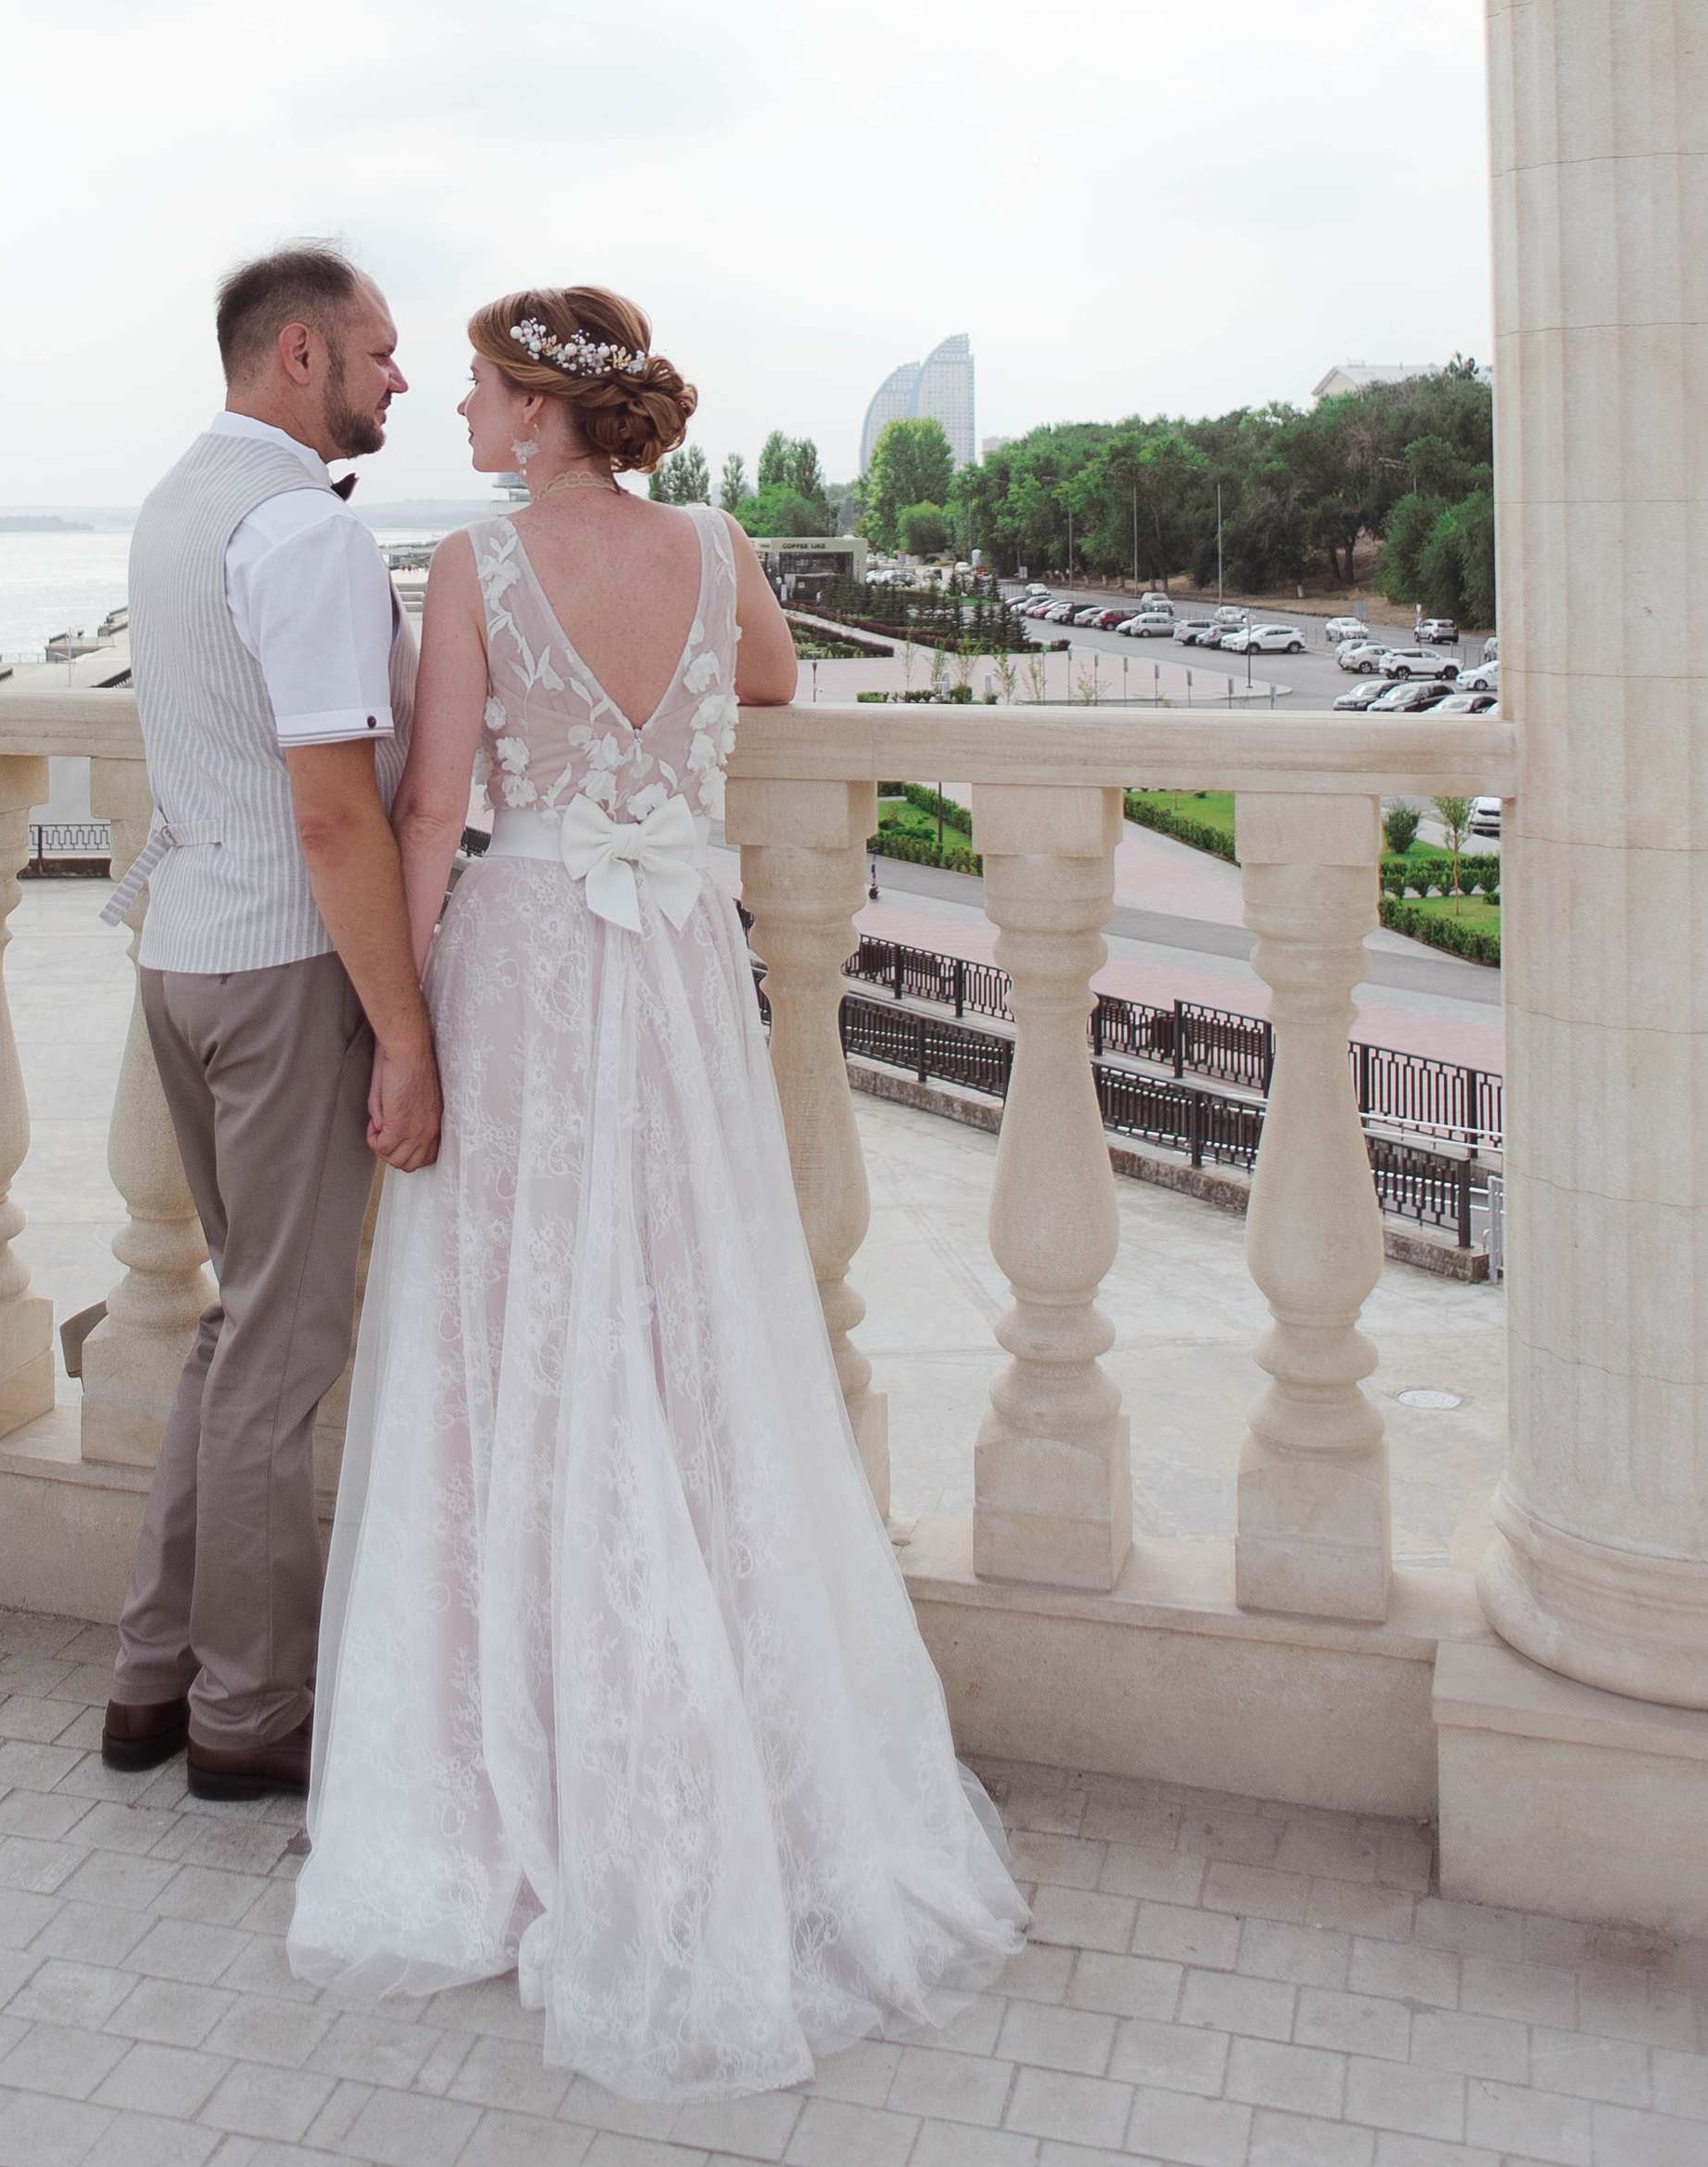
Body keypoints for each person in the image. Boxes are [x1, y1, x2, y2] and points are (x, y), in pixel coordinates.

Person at [288, 285, 1026, 2098]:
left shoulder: (467, 571)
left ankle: (531, 1741)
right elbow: (761, 678)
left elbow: (427, 810)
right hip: (679, 957)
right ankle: (734, 1718)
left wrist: (402, 1035)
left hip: (537, 962)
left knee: (525, 1315)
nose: (457, 408)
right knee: (692, 1304)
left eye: (475, 385)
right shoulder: (714, 541)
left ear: (540, 406)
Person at [99, 246, 442, 1801]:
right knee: (282, 1348)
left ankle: (152, 1676)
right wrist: (406, 1032)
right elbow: (333, 821)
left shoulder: (178, 501)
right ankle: (249, 1712)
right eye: (379, 353)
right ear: (299, 356)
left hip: (183, 957)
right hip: (281, 972)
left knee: (236, 1330)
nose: (400, 380)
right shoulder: (300, 533)